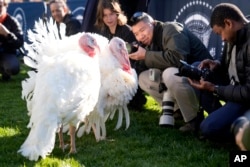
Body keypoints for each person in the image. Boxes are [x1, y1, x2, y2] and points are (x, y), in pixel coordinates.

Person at [129, 12, 215, 131]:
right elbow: (149, 65)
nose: (140, 36)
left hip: (202, 80)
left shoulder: (171, 29)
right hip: (185, 80)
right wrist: (131, 59)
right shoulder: (149, 41)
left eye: (143, 30)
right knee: (144, 78)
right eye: (136, 34)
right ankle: (178, 110)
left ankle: (194, 119)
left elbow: (178, 60)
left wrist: (146, 55)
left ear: (153, 23)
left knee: (170, 74)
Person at [188, 3, 250, 141]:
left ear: (228, 23)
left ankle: (241, 129)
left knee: (208, 128)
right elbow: (229, 63)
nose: (222, 38)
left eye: (220, 33)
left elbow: (248, 91)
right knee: (199, 69)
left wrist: (215, 89)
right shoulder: (234, 35)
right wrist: (216, 63)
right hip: (234, 91)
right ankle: (223, 118)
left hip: (244, 98)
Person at [94, 0, 147, 110]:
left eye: (111, 14)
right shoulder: (103, 31)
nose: (109, 19)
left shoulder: (126, 30)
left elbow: (133, 56)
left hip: (131, 66)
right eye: (105, 15)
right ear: (101, 17)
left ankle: (135, 96)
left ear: (117, 14)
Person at [0, 0, 23, 81]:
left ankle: (5, 72)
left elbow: (19, 43)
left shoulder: (12, 21)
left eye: (0, 6)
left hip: (7, 53)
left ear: (6, 6)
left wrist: (7, 34)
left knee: (13, 67)